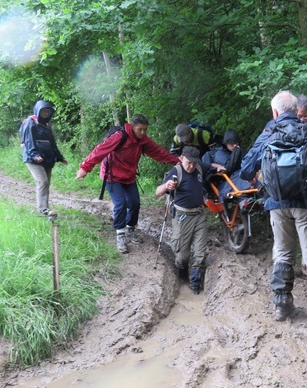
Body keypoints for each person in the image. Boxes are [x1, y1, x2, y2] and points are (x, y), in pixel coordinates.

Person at [240, 91, 307, 338]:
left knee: (283, 253)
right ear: (296, 110)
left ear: (274, 112)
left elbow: (245, 170)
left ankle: (282, 306)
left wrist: (267, 184)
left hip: (277, 205)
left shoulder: (268, 134)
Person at [76, 114, 178, 253]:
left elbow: (159, 153)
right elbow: (99, 151)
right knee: (121, 203)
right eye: (140, 129)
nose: (143, 133)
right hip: (112, 176)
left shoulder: (143, 141)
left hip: (129, 177)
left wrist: (178, 162)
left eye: (145, 130)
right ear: (133, 126)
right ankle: (120, 234)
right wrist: (84, 168)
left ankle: (130, 229)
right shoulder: (119, 136)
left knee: (135, 203)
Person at [156, 146, 217, 294]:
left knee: (199, 252)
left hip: (199, 215)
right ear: (182, 158)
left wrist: (220, 167)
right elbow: (157, 192)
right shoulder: (176, 172)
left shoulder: (199, 167)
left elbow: (211, 166)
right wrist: (167, 186)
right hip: (182, 217)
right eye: (189, 162)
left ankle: (196, 286)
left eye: (194, 163)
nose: (191, 166)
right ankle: (182, 276)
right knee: (182, 256)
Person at [20, 100, 68, 215]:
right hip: (33, 159)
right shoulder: (30, 122)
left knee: (46, 183)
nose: (45, 113)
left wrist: (60, 157)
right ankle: (43, 209)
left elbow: (52, 143)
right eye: (43, 111)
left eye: (47, 111)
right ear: (38, 111)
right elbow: (28, 140)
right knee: (42, 181)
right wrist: (35, 155)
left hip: (47, 158)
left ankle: (45, 208)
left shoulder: (46, 124)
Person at [202, 129, 250, 201]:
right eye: (232, 144)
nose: (235, 145)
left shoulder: (238, 150)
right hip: (226, 181)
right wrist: (236, 152)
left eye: (236, 143)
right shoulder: (220, 154)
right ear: (226, 144)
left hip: (237, 177)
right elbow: (229, 168)